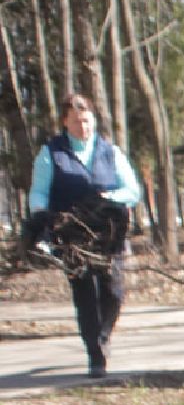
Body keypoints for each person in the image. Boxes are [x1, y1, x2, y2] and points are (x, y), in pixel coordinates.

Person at [25, 93, 143, 378]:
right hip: (71, 235)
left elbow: (132, 191)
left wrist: (109, 195)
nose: (84, 127)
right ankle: (95, 353)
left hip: (109, 233)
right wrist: (41, 214)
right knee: (84, 292)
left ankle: (103, 336)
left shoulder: (110, 152)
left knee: (113, 291)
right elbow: (39, 192)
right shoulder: (50, 154)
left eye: (87, 121)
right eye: (77, 122)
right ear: (65, 122)